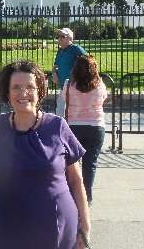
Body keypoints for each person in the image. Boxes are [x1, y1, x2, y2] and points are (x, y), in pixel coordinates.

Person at [0, 60, 91, 249]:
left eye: (30, 87)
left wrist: (85, 227)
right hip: (10, 222)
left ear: (39, 91)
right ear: (7, 92)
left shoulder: (57, 126)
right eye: (16, 87)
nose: (23, 93)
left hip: (55, 221)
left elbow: (76, 179)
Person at [63, 55, 107, 206]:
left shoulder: (69, 85)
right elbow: (104, 98)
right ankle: (87, 197)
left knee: (72, 163)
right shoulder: (100, 85)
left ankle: (72, 193)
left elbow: (64, 99)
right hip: (95, 126)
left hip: (74, 126)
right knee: (90, 163)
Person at [52, 28, 87, 117]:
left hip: (75, 87)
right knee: (60, 113)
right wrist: (54, 74)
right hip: (64, 87)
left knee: (73, 114)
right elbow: (55, 66)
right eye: (58, 36)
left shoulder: (76, 49)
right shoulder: (60, 51)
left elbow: (88, 62)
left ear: (70, 39)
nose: (59, 39)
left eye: (62, 36)